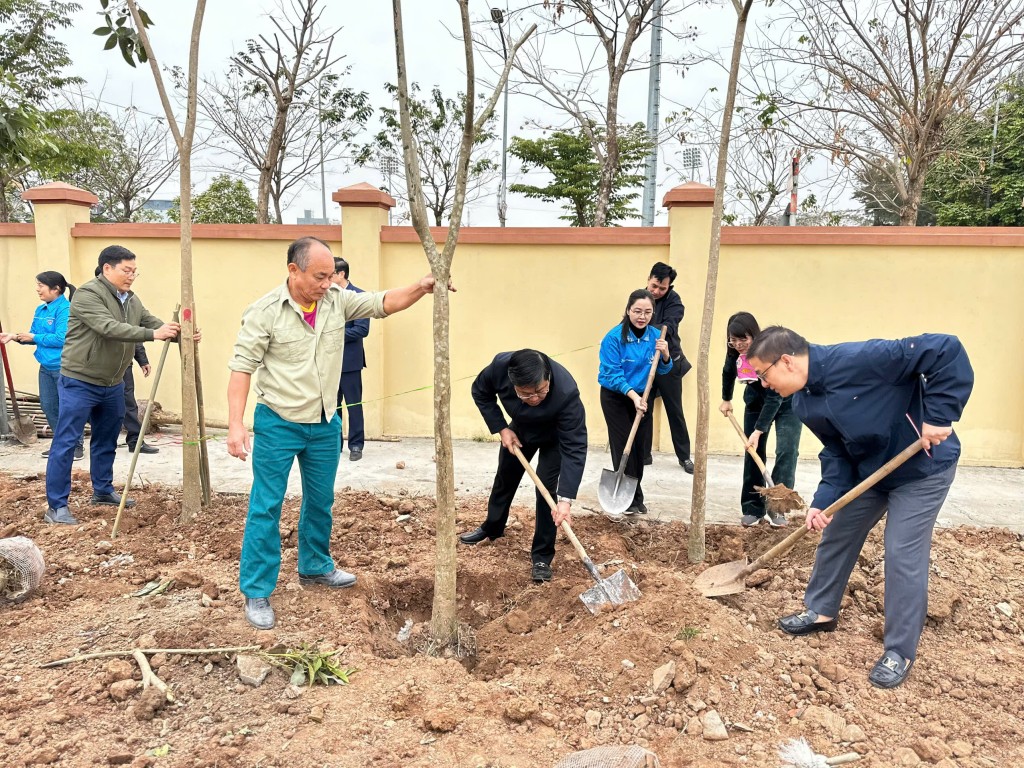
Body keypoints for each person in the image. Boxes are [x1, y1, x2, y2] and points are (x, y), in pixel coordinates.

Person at [226, 236, 454, 630]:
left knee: (321, 500)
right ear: (293, 271)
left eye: (332, 275)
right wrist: (235, 424)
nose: (328, 283)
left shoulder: (336, 300)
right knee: (267, 504)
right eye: (320, 276)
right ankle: (257, 589)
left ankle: (314, 565)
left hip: (325, 421)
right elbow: (242, 368)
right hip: (278, 420)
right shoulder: (264, 312)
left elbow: (384, 303)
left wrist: (422, 285)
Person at [747, 327, 973, 689]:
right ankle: (820, 612)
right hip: (871, 473)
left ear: (785, 361)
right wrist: (823, 502)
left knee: (901, 551)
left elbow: (945, 349)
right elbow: (836, 453)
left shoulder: (862, 359)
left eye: (762, 374)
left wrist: (940, 415)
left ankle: (899, 650)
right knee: (837, 531)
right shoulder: (804, 401)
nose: (763, 384)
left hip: (921, 469)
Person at [43, 246, 186, 525]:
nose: (132, 276)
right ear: (107, 269)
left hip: (113, 383)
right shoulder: (87, 295)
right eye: (126, 270)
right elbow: (107, 327)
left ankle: (103, 490)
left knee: (107, 440)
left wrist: (183, 334)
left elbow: (150, 320)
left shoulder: (130, 299)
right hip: (80, 381)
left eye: (134, 271)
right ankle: (56, 506)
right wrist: (153, 334)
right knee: (67, 442)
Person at [459, 349, 587, 583]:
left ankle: (542, 556)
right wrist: (501, 428)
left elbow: (575, 447)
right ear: (512, 382)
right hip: (519, 429)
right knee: (505, 477)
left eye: (540, 391)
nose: (535, 398)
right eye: (526, 394)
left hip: (554, 437)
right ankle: (493, 527)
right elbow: (480, 391)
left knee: (546, 489)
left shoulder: (567, 393)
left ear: (547, 377)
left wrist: (566, 500)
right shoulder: (500, 367)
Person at [719, 312, 802, 527]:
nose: (738, 344)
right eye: (733, 340)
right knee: (753, 453)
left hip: (786, 402)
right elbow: (728, 372)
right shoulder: (735, 354)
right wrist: (726, 399)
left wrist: (758, 430)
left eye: (743, 339)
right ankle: (752, 507)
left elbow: (774, 398)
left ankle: (778, 508)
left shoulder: (769, 353)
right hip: (756, 404)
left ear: (753, 336)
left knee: (787, 450)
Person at [598, 289, 672, 516]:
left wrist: (666, 354)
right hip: (617, 397)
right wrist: (633, 396)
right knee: (623, 447)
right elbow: (612, 374)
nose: (642, 316)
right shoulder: (613, 338)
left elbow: (663, 369)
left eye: (648, 312)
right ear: (628, 310)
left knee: (640, 449)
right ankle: (628, 500)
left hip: (643, 396)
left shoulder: (656, 337)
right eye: (637, 311)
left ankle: (636, 496)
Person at [0, 271, 84, 461]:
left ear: (56, 289)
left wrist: (35, 337)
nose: (37, 289)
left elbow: (63, 338)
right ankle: (61, 444)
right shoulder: (41, 310)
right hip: (46, 366)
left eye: (41, 286)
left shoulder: (66, 309)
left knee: (68, 408)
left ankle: (76, 445)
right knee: (49, 406)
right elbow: (33, 335)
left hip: (64, 366)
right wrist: (15, 337)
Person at [644, 262, 694, 473]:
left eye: (662, 288)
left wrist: (643, 328)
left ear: (669, 287)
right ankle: (644, 453)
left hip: (668, 361)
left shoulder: (674, 301)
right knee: (642, 408)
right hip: (644, 364)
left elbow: (669, 327)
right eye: (654, 286)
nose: (656, 292)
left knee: (675, 410)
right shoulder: (640, 297)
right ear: (649, 280)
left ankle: (684, 457)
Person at [331, 257, 369, 461]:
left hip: (351, 363)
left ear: (341, 274)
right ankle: (334, 444)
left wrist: (334, 334)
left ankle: (356, 445)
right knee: (331, 405)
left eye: (331, 275)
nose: (327, 279)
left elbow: (362, 329)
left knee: (354, 405)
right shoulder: (325, 297)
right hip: (329, 363)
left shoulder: (359, 296)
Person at [122, 343, 159, 454]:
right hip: (97, 368)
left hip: (124, 365)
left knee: (129, 403)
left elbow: (135, 337)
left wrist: (143, 360)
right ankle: (78, 444)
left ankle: (135, 441)